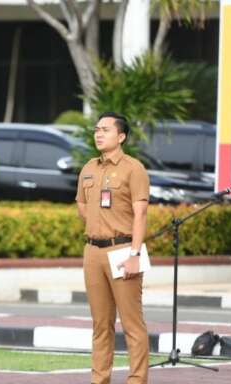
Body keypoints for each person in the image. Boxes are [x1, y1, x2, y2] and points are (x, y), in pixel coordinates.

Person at [76, 112, 150, 384]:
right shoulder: (88, 168)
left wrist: (134, 254)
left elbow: (140, 214)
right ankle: (100, 379)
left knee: (132, 323)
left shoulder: (133, 168)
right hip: (92, 251)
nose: (98, 134)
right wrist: (99, 225)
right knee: (100, 324)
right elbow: (82, 205)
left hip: (122, 250)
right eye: (97, 129)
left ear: (121, 137)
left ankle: (137, 379)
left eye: (105, 130)